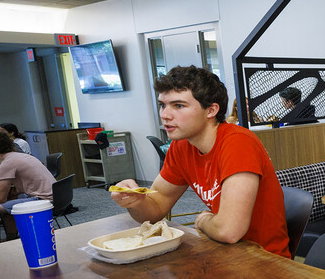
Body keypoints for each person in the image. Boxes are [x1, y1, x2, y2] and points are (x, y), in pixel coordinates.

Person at [110, 66, 290, 258]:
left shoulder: (238, 143)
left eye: (178, 106)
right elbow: (154, 211)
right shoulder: (181, 146)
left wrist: (204, 220)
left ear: (211, 110)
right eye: (163, 105)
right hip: (223, 254)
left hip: (264, 261)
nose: (165, 115)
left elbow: (229, 231)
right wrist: (136, 200)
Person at [0, 129, 55, 241]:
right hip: (55, 196)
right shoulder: (19, 156)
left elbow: (0, 199)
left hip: (41, 200)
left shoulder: (6, 164)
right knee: (10, 198)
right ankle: (11, 239)